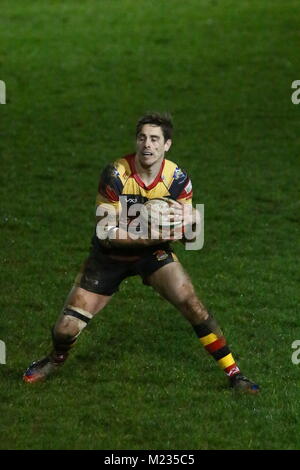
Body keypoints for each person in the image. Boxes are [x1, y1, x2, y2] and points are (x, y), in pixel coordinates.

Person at [23, 112, 259, 393]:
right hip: (110, 257)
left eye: (155, 139)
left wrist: (193, 221)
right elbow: (106, 235)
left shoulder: (178, 180)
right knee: (65, 329)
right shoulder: (116, 175)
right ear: (136, 141)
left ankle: (235, 373)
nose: (147, 144)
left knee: (193, 304)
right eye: (142, 138)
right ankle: (55, 359)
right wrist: (153, 236)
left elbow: (192, 240)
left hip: (152, 254)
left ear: (167, 145)